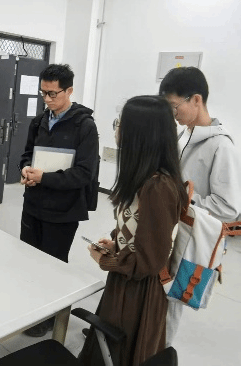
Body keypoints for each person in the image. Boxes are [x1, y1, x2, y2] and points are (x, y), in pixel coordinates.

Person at [78, 95, 187, 366]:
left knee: (121, 352)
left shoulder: (158, 187)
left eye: (120, 123)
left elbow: (149, 262)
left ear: (139, 134)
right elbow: (139, 230)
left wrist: (106, 260)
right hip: (126, 281)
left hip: (139, 292)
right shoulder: (144, 179)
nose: (117, 129)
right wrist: (116, 243)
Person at [158, 66, 241, 346]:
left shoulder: (221, 147)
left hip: (192, 240)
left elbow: (228, 207)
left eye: (174, 106)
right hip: (172, 230)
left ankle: (160, 356)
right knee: (158, 294)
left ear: (196, 99)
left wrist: (182, 199)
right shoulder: (184, 135)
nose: (173, 114)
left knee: (173, 300)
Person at [19, 63, 99, 337]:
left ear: (69, 91)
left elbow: (84, 174)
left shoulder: (84, 126)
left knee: (52, 266)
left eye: (53, 93)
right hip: (33, 205)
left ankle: (50, 316)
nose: (47, 99)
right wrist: (25, 169)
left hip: (63, 210)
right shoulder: (39, 121)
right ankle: (29, 308)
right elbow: (26, 154)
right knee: (28, 261)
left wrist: (45, 178)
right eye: (43, 93)